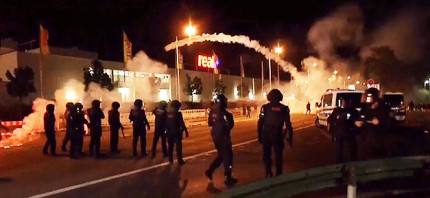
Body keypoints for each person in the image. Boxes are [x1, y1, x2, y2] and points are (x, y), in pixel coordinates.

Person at [258, 89, 294, 178]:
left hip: (266, 133)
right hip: (278, 134)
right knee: (278, 155)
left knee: (266, 154)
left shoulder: (265, 107)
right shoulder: (284, 108)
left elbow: (260, 122)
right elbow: (288, 124)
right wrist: (290, 136)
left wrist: (259, 134)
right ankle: (278, 173)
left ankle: (268, 171)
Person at [205, 94, 238, 186]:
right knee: (228, 157)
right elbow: (229, 125)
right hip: (224, 138)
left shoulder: (212, 112)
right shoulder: (226, 114)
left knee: (222, 155)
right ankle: (228, 177)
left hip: (215, 137)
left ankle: (210, 171)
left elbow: (209, 123)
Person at [355, 88, 391, 160]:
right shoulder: (364, 109)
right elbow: (359, 120)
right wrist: (357, 123)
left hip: (378, 143)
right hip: (365, 143)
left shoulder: (382, 109)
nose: (366, 98)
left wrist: (379, 122)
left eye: (369, 96)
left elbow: (389, 124)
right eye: (366, 96)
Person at [327, 98, 359, 163]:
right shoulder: (337, 110)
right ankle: (339, 163)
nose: (344, 103)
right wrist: (336, 121)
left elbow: (356, 120)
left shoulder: (352, 111)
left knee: (351, 150)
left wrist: (354, 125)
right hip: (339, 133)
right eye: (343, 102)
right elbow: (330, 119)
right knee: (338, 150)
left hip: (349, 133)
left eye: (345, 102)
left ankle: (353, 162)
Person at [165, 100, 188, 164]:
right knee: (178, 147)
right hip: (176, 133)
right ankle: (180, 160)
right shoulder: (178, 114)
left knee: (170, 146)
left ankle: (170, 159)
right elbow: (181, 123)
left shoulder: (168, 113)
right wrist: (185, 130)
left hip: (169, 132)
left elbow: (165, 123)